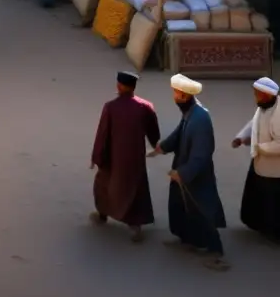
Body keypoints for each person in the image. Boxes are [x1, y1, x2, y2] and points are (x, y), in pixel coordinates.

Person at [148, 74, 228, 270]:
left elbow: (202, 154)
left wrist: (182, 174)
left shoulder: (201, 119)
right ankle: (187, 239)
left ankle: (216, 251)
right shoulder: (190, 112)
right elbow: (179, 133)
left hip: (196, 176)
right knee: (180, 207)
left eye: (176, 93)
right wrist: (162, 148)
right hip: (183, 168)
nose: (174, 96)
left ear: (184, 96)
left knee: (202, 210)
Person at [90, 72, 161, 242]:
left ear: (119, 86)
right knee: (135, 190)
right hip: (135, 158)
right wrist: (157, 147)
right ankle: (135, 225)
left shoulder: (110, 107)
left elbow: (103, 134)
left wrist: (97, 157)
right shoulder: (146, 107)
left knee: (104, 185)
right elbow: (154, 133)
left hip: (113, 157)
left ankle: (103, 214)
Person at [233, 76, 280, 241]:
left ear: (268, 95)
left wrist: (260, 147)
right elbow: (253, 124)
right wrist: (240, 138)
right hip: (260, 163)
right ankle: (260, 225)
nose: (255, 97)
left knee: (274, 202)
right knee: (258, 196)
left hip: (276, 170)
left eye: (258, 94)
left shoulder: (279, 113)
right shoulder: (264, 107)